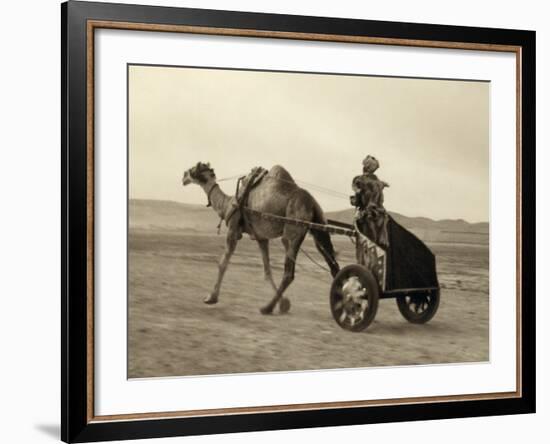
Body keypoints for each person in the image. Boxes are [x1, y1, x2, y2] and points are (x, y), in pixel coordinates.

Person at [350, 155, 389, 247]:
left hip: (368, 216)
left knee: (368, 243)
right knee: (378, 244)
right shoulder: (379, 182)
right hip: (381, 216)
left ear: (365, 167)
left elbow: (357, 201)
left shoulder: (360, 180)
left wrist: (353, 200)